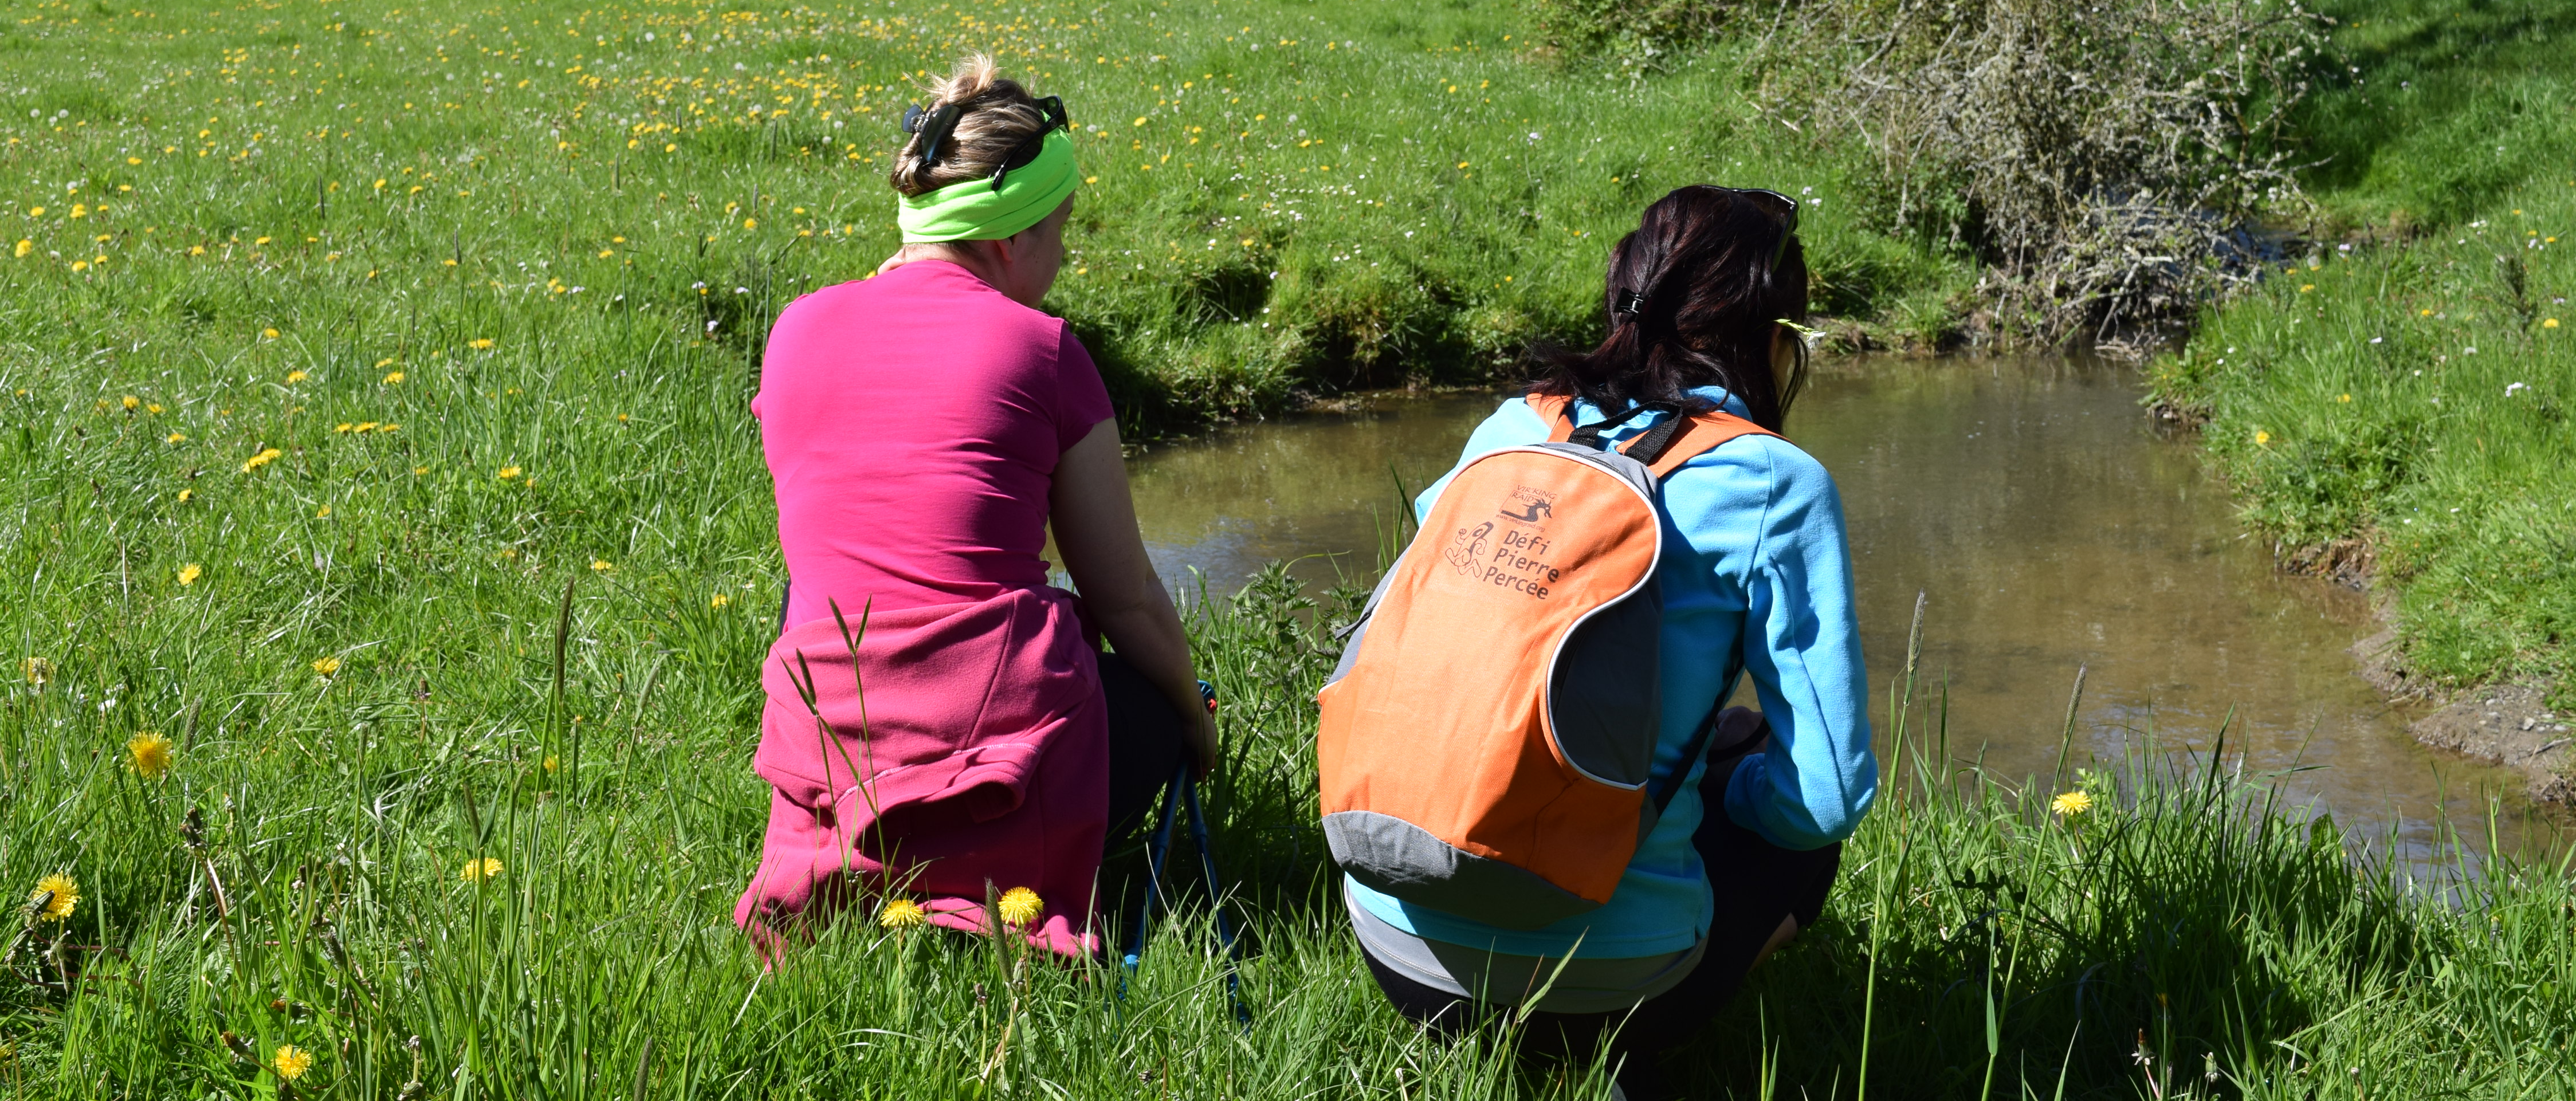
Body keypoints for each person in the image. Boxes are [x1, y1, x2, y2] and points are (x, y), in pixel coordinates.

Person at [1341, 185, 1876, 1099]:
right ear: (1772, 331)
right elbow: (1826, 799)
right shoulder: (1774, 484)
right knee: (1759, 768)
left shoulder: (1513, 428)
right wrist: (1725, 790)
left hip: (1399, 946)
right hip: (1613, 991)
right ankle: (1626, 1047)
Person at [735, 56, 1218, 960]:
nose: (1064, 255)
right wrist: (1192, 713)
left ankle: (870, 859)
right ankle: (992, 862)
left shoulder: (796, 329)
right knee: (1143, 700)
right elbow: (1127, 599)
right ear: (1007, 241)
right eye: (1059, 231)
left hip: (828, 743)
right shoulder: (1045, 353)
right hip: (996, 749)